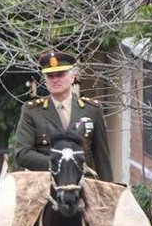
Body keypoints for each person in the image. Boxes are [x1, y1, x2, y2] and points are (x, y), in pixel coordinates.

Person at [14, 49, 114, 182]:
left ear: (72, 77)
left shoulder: (92, 110)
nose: (55, 80)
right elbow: (22, 154)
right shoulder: (32, 111)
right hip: (45, 183)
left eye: (60, 75)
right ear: (45, 80)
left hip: (83, 183)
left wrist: (108, 189)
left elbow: (102, 158)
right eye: (50, 76)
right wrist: (58, 162)